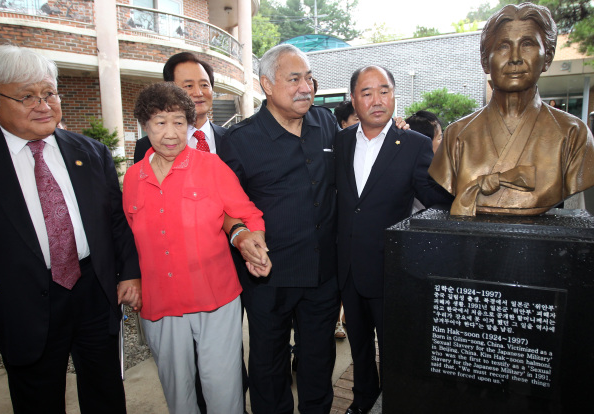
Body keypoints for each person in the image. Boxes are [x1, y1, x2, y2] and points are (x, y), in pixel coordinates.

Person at [0, 45, 141, 413]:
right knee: (37, 399)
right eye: (26, 96)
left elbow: (115, 220)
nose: (43, 105)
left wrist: (131, 273)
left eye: (49, 93)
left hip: (93, 292)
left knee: (106, 392)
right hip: (20, 301)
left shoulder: (91, 152)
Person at [123, 82, 270, 414]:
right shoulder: (133, 178)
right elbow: (131, 237)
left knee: (223, 390)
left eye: (179, 122)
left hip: (214, 298)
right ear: (145, 126)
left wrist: (252, 240)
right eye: (160, 122)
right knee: (178, 393)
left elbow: (248, 213)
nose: (171, 132)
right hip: (161, 304)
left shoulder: (211, 167)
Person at [218, 44, 340, 414]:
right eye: (294, 79)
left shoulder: (327, 124)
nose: (307, 87)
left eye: (309, 78)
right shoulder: (239, 141)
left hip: (322, 273)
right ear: (267, 85)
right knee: (269, 364)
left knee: (318, 360)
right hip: (268, 276)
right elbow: (222, 207)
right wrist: (239, 234)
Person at [335, 65, 453, 414]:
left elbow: (436, 197)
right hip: (348, 268)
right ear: (354, 99)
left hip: (390, 268)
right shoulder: (340, 141)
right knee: (358, 346)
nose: (377, 100)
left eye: (384, 91)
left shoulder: (413, 144)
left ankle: (392, 402)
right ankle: (362, 400)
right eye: (367, 92)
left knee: (393, 347)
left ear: (394, 95)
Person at [429, 2, 594, 216]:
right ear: (485, 61)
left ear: (547, 57)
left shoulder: (574, 133)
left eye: (527, 44)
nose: (515, 58)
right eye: (503, 46)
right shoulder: (456, 135)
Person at [133, 52, 225, 162]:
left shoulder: (232, 139)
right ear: (170, 91)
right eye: (189, 86)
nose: (198, 93)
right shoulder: (147, 146)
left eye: (204, 85)